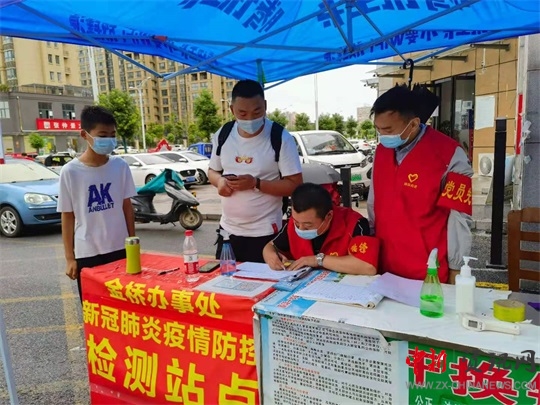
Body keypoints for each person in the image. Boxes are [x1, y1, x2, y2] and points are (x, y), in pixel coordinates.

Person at [368, 85, 473, 284]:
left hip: (428, 269)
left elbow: (459, 216)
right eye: (378, 129)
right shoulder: (381, 152)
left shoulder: (450, 155)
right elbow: (374, 202)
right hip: (385, 265)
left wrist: (456, 267)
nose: (383, 136)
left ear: (414, 124)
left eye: (388, 130)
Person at [208, 79, 302, 262]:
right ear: (232, 109)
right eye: (242, 113)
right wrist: (220, 182)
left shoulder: (280, 137)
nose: (250, 119)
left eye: (257, 112)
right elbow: (213, 171)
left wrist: (256, 184)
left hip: (265, 234)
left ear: (265, 106)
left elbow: (295, 185)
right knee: (224, 278)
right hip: (228, 231)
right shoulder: (223, 134)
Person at [57, 106, 136, 300]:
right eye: (102, 135)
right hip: (88, 253)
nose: (108, 140)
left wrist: (133, 244)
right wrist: (70, 258)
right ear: (84, 134)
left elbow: (127, 208)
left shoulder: (120, 167)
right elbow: (67, 216)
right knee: (93, 309)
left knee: (122, 308)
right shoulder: (70, 172)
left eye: (112, 135)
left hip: (120, 249)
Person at [263, 183, 379, 275]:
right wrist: (271, 256)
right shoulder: (295, 223)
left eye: (308, 225)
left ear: (329, 216)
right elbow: (270, 247)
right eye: (296, 223)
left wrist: (317, 260)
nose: (300, 229)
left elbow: (367, 266)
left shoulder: (354, 223)